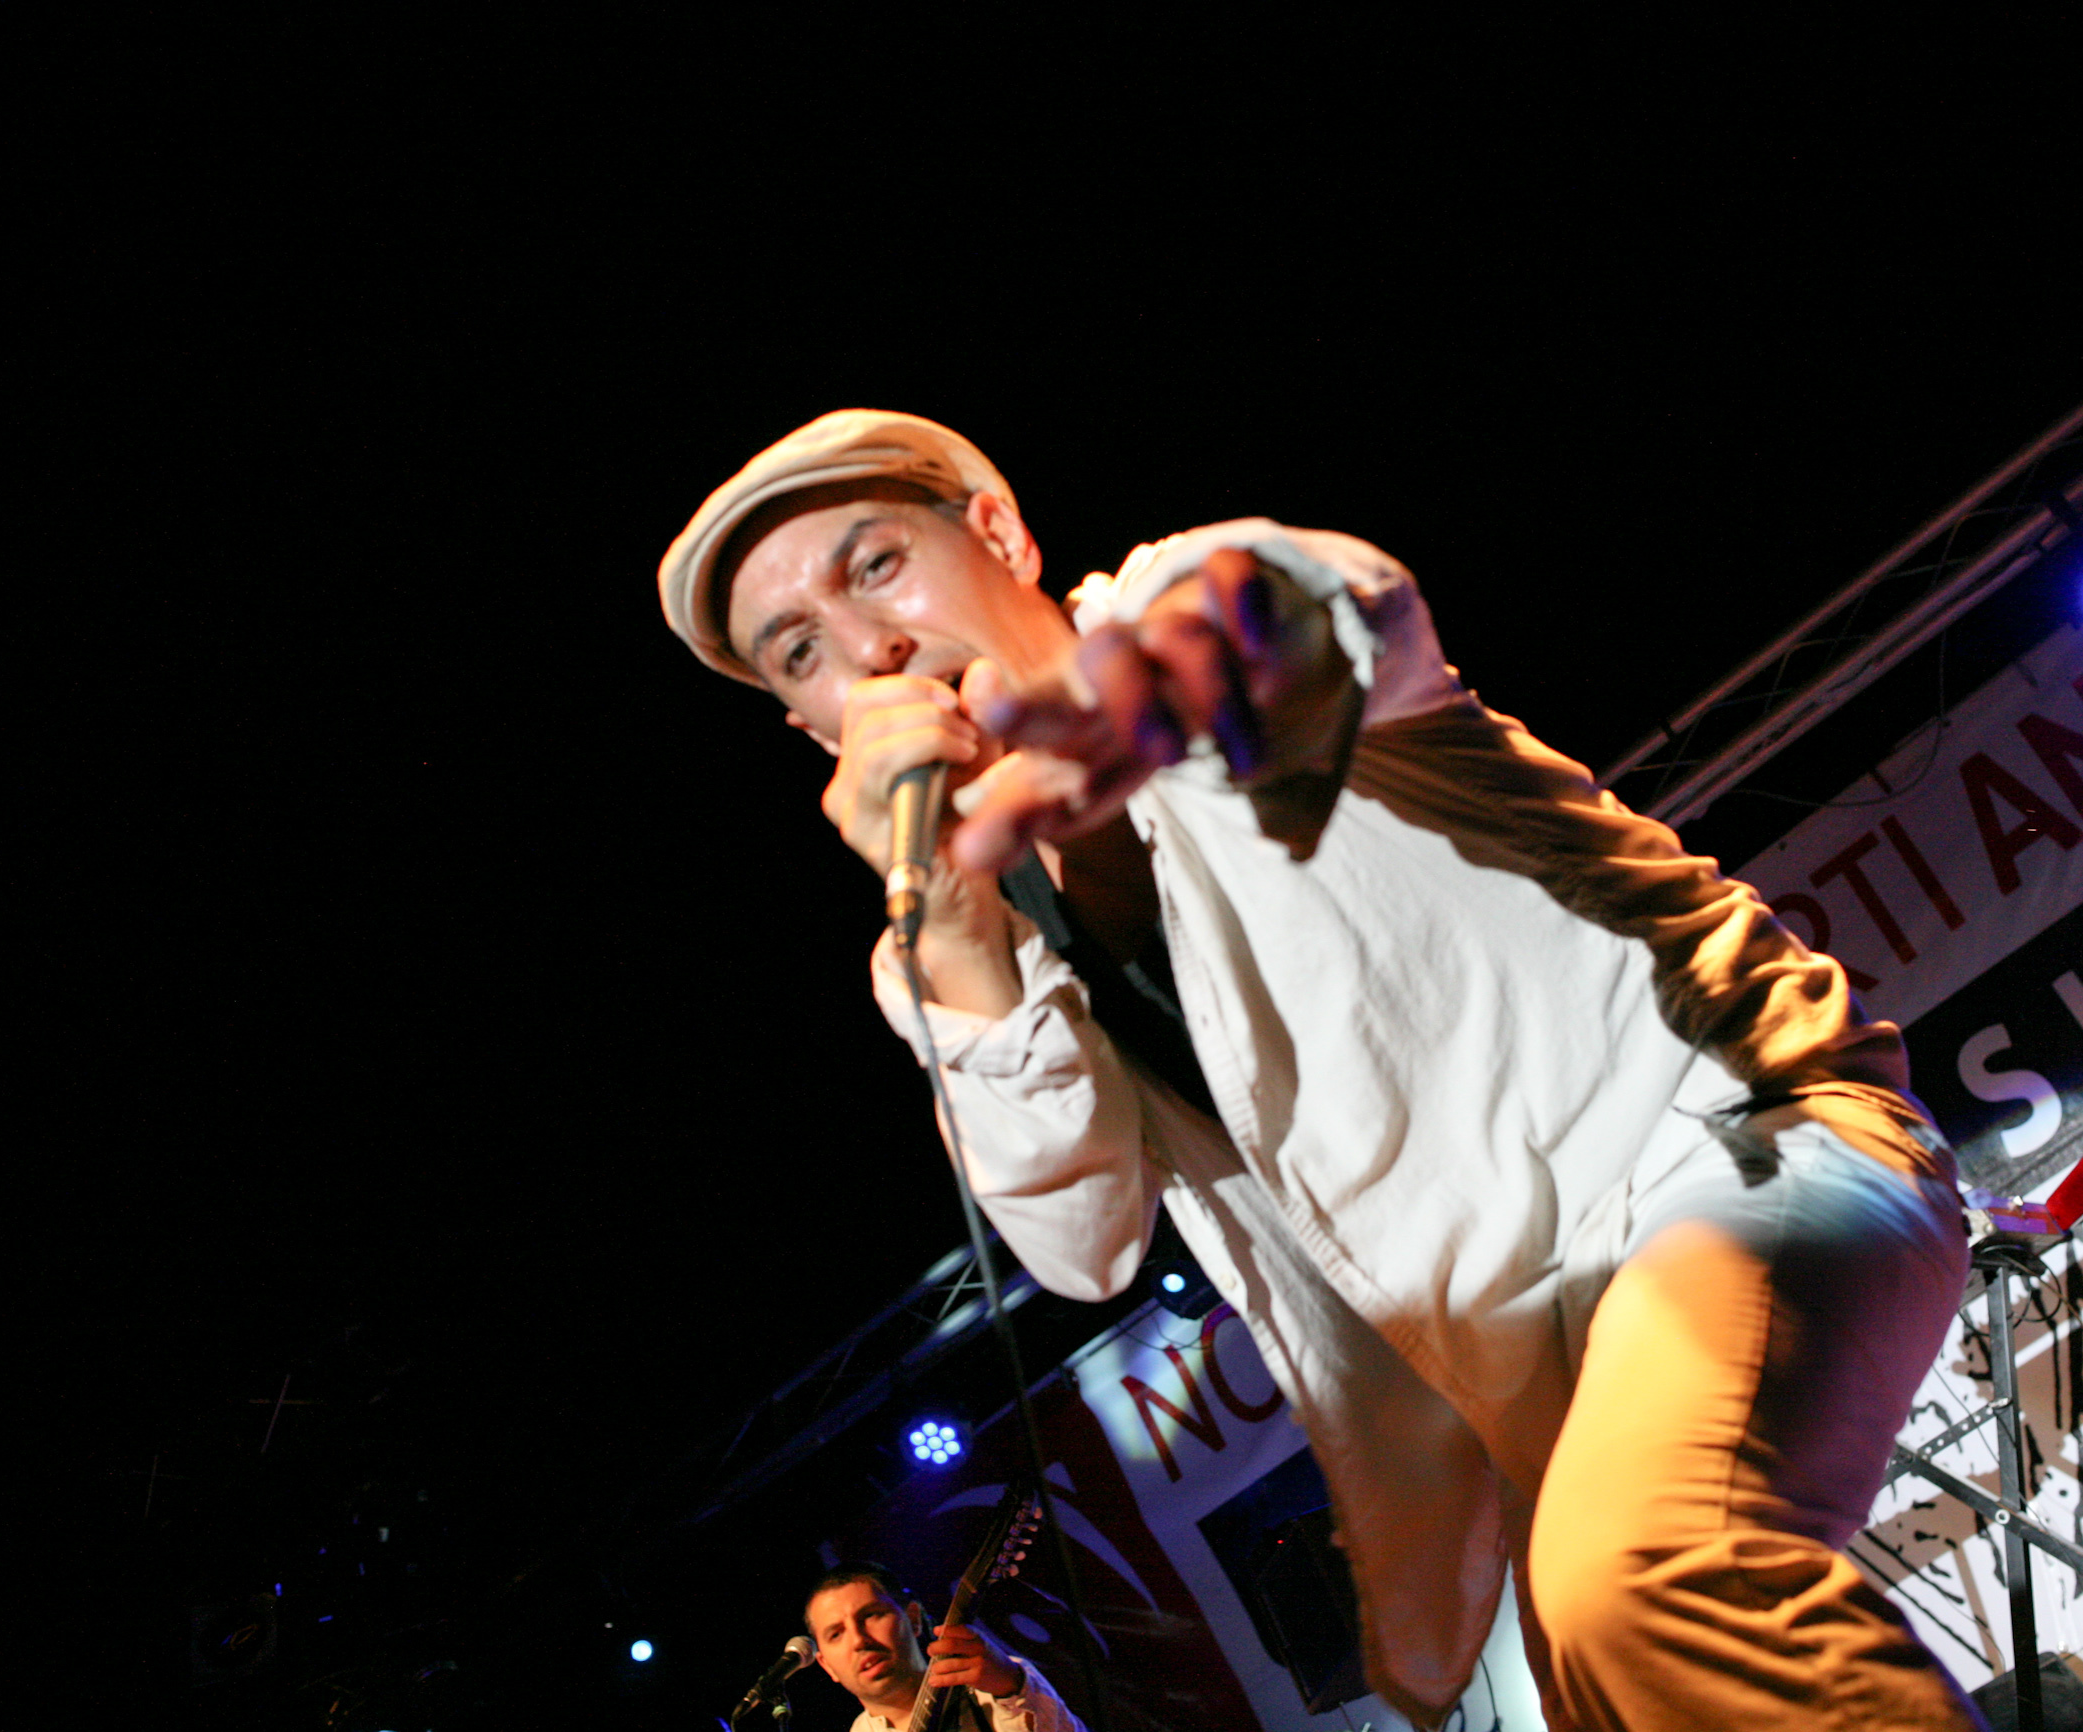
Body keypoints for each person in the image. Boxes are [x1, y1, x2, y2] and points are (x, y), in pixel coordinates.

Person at [660, 410, 1985, 1730]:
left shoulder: (1182, 602)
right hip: (1545, 1375)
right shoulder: (951, 951)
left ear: (998, 535)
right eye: (801, 650)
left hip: (1737, 1149)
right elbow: (1080, 1242)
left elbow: (1316, 612)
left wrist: (1156, 689)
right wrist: (957, 936)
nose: (867, 648)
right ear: (811, 733)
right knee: (1627, 1674)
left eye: (876, 566)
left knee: (1646, 1576)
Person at [803, 1562, 1084, 1732]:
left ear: (913, 1618)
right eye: (836, 1634)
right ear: (827, 1666)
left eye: (871, 1615)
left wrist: (1012, 1686)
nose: (858, 1640)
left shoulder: (997, 1685)